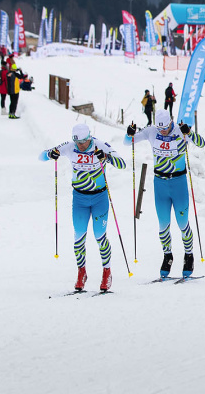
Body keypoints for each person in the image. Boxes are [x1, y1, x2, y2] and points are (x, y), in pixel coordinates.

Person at [39, 124, 127, 292]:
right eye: (77, 143)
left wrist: (106, 157)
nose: (80, 145)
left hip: (99, 198)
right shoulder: (70, 147)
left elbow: (123, 164)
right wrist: (51, 154)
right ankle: (82, 272)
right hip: (79, 199)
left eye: (83, 142)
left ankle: (107, 271)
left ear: (89, 138)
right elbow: (41, 156)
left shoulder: (100, 145)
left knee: (100, 236)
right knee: (79, 237)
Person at [125, 110, 205, 279]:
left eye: (166, 128)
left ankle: (189, 255)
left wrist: (189, 132)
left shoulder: (180, 130)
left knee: (182, 223)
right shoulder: (151, 131)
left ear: (171, 122)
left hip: (178, 183)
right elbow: (128, 142)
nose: (162, 131)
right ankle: (167, 256)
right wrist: (129, 133)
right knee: (163, 225)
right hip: (160, 184)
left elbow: (202, 143)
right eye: (160, 129)